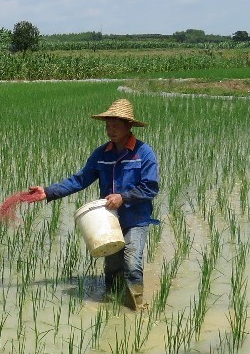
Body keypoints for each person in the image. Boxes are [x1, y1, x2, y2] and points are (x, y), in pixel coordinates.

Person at [28, 98, 160, 310]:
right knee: (112, 267)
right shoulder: (101, 155)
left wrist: (123, 197)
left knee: (132, 263)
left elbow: (150, 188)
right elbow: (80, 180)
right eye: (108, 125)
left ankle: (136, 308)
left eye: (116, 125)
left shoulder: (144, 153)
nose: (111, 129)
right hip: (109, 219)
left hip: (136, 218)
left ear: (129, 126)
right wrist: (48, 191)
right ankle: (112, 306)